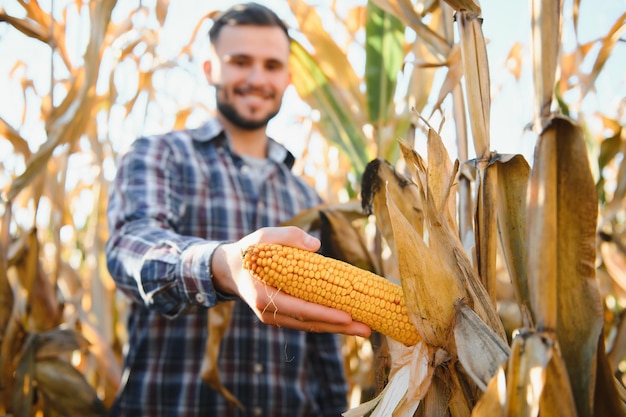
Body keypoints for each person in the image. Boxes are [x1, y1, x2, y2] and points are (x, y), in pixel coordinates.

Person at [105, 3, 371, 417]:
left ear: (287, 78)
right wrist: (221, 266)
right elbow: (130, 250)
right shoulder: (158, 155)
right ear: (211, 68)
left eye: (271, 65)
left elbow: (323, 341)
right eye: (240, 62)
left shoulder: (308, 198)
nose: (256, 79)